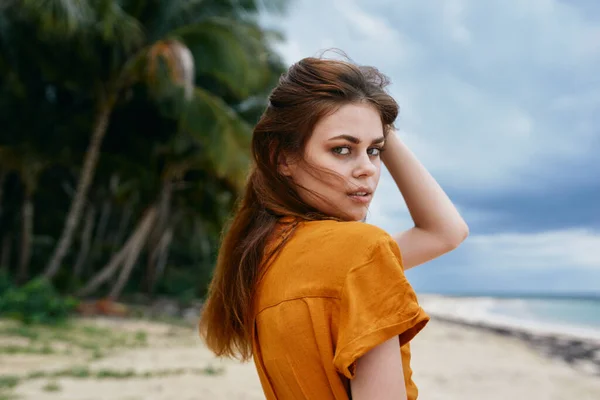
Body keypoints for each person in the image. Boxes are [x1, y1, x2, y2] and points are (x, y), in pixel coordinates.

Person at [199, 54, 469, 400]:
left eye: (374, 150)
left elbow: (445, 232)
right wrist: (376, 125)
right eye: (341, 149)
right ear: (282, 159)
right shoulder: (361, 252)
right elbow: (446, 232)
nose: (367, 169)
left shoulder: (263, 255)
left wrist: (373, 118)